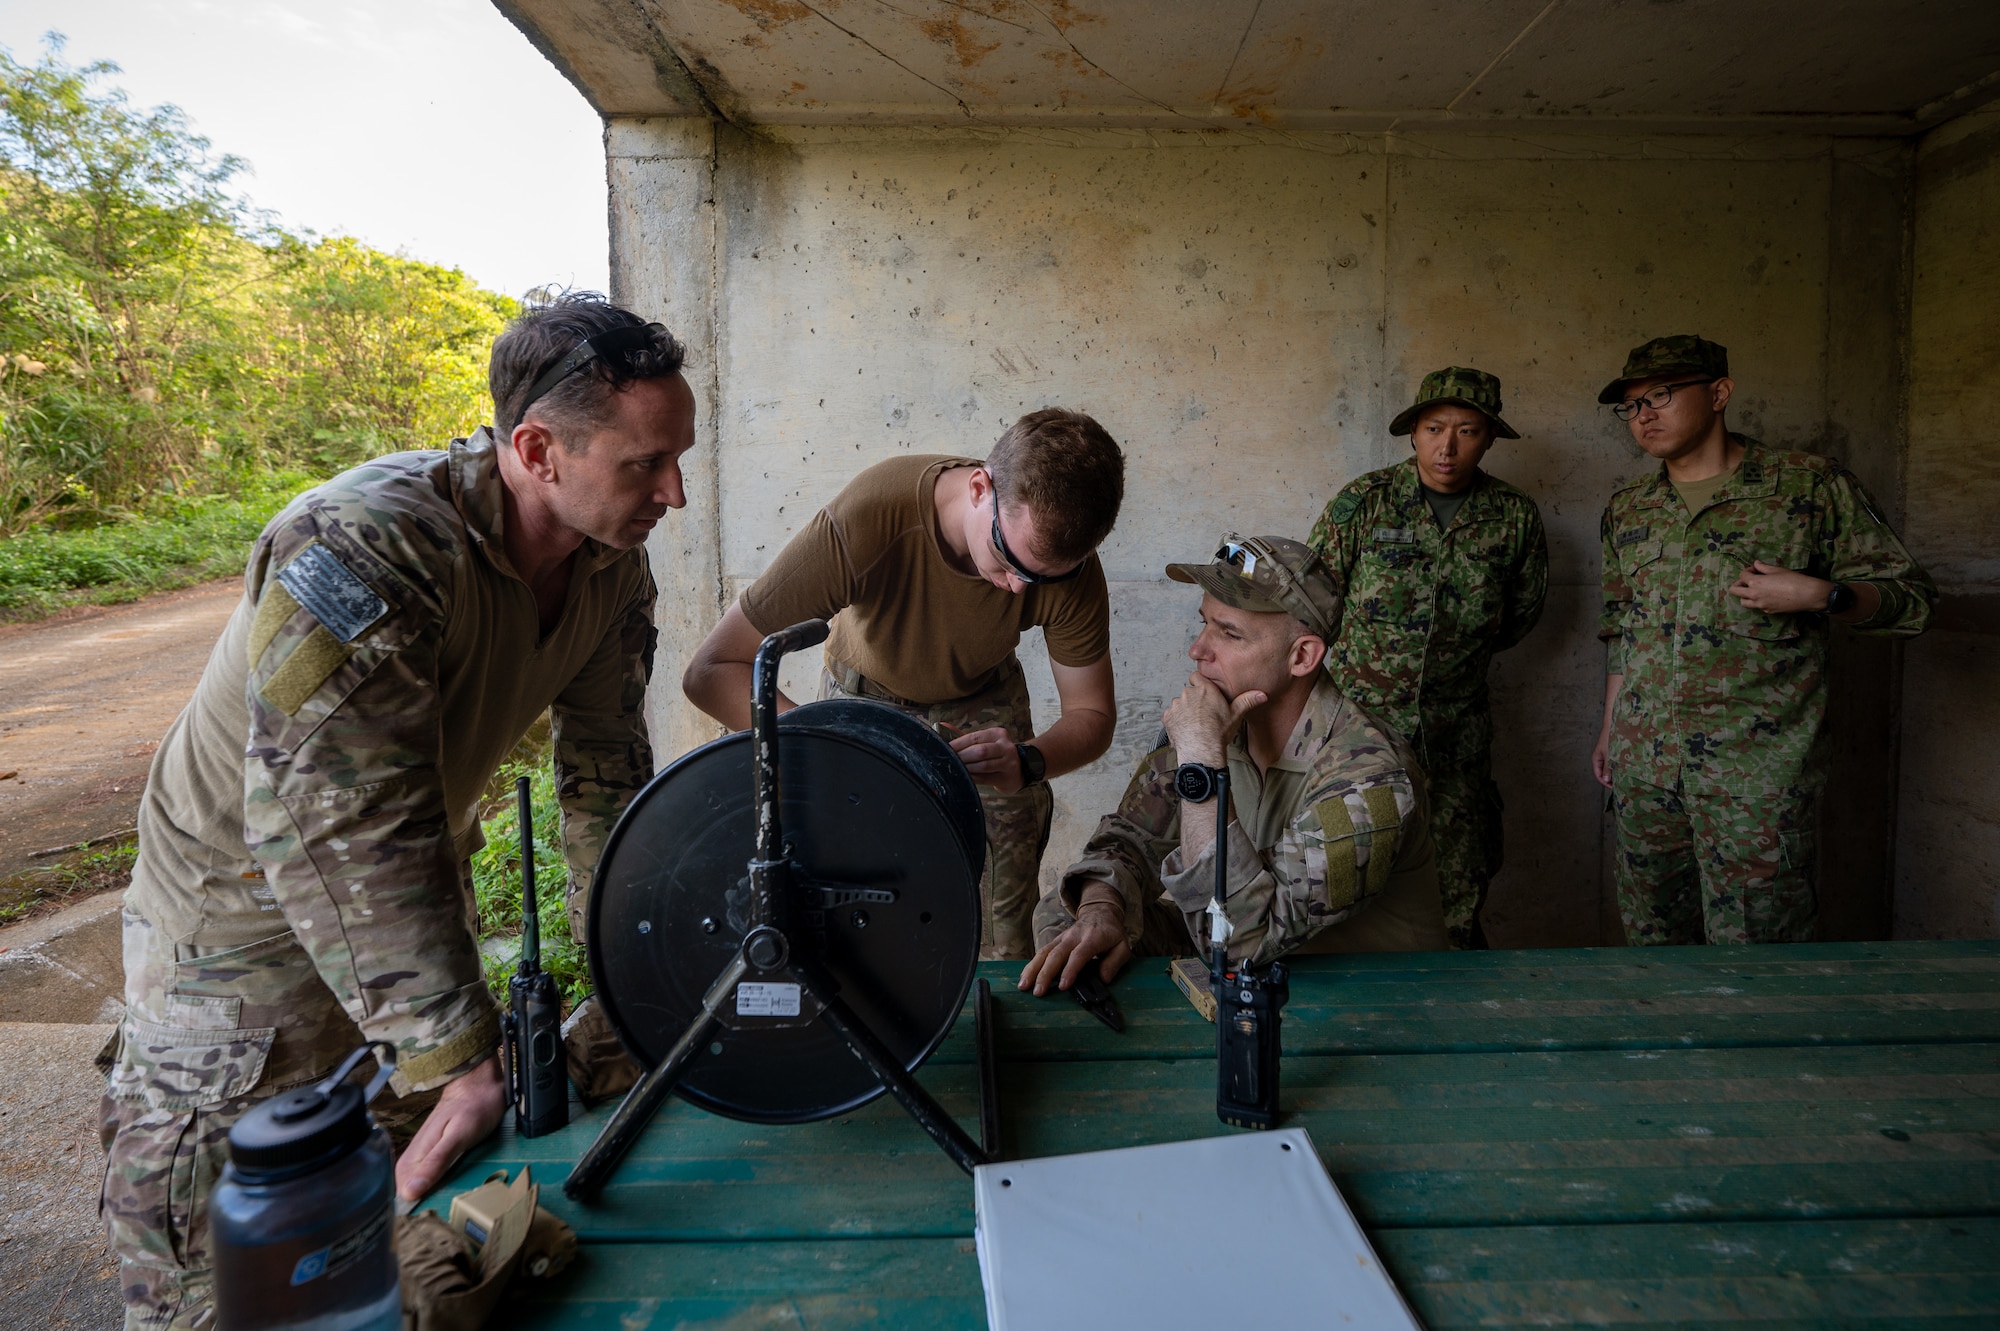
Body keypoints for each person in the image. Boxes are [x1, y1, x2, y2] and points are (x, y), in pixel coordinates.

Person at [100, 292, 693, 1329]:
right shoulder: (364, 545)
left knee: (379, 1231)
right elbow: (343, 820)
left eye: (676, 456)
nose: (674, 490)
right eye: (645, 463)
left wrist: (626, 961)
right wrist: (451, 1054)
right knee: (227, 1277)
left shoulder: (608, 561)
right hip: (238, 940)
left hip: (398, 909)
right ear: (537, 448)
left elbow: (604, 774)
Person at [683, 409, 1124, 960]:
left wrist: (1029, 761)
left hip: (983, 705)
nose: (1017, 588)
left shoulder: (1067, 568)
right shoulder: (872, 516)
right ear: (980, 487)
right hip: (861, 701)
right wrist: (822, 743)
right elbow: (712, 671)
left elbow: (1092, 716)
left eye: (1042, 577)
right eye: (1010, 560)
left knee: (997, 933)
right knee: (847, 912)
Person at [1592, 334, 1935, 945]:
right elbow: (1623, 625)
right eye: (1632, 404)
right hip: (1645, 773)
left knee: (1760, 961)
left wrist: (1823, 595)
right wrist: (1611, 729)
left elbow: (1914, 602)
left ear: (1720, 393)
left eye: (1662, 395)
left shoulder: (1808, 488)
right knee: (1652, 948)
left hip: (1754, 779)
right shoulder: (1629, 509)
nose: (1644, 414)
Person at [1022, 535, 1447, 997]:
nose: (1199, 650)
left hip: (1365, 996)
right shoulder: (1218, 722)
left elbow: (1241, 942)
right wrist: (1101, 909)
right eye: (1204, 624)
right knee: (1072, 915)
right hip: (1256, 974)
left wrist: (1203, 761)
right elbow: (1126, 843)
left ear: (1301, 656)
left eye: (1229, 634)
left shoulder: (1371, 775)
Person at [1307, 367, 1547, 949]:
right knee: (1344, 873)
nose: (1448, 445)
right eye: (1434, 427)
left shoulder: (1512, 516)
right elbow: (1312, 605)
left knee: (1459, 887)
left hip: (1455, 736)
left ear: (1488, 438)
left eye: (1467, 430)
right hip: (1362, 733)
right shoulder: (1363, 504)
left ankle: (1457, 1014)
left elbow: (1521, 615)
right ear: (1413, 432)